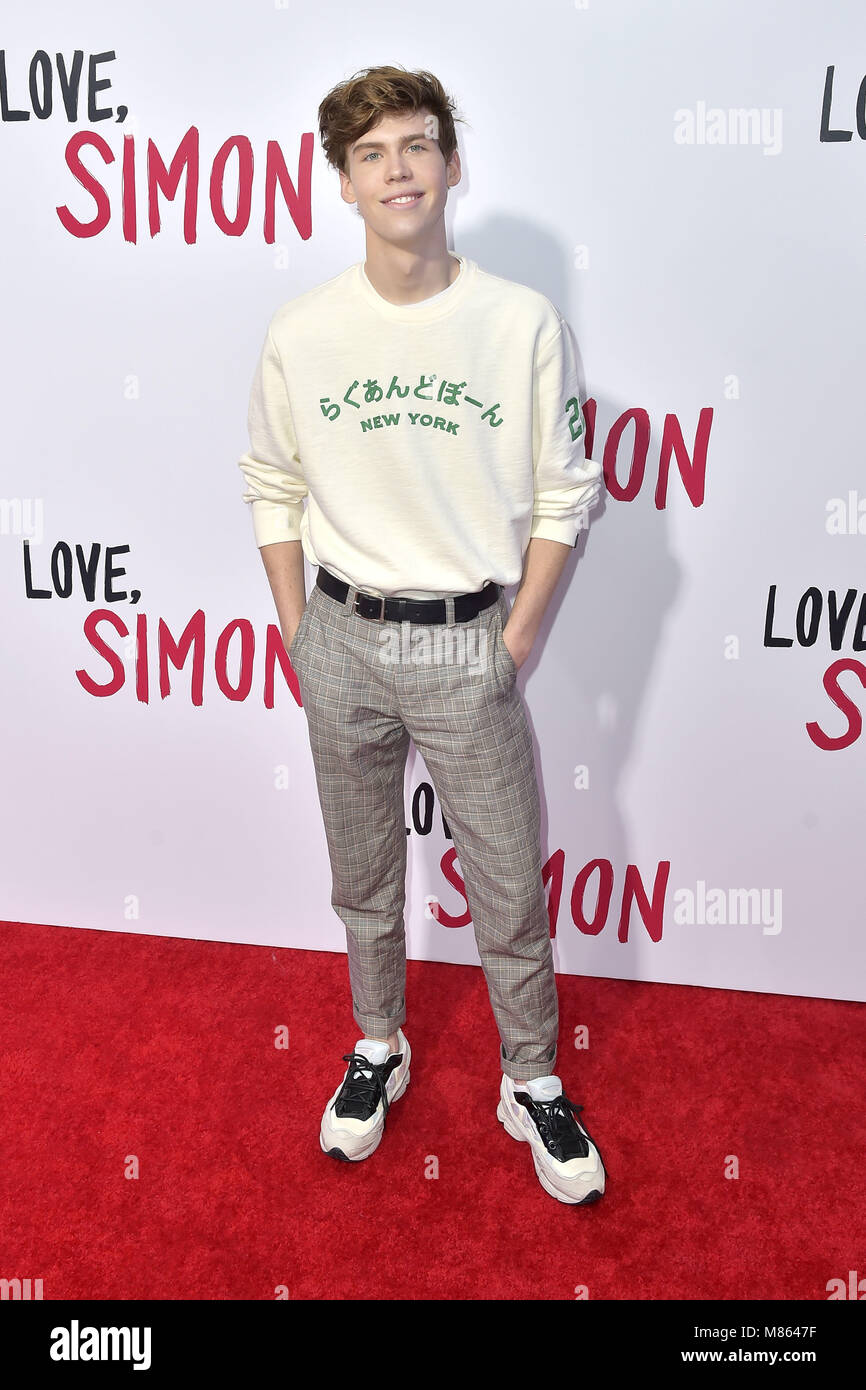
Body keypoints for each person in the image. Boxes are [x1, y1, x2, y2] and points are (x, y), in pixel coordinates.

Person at [237, 65, 607, 1205]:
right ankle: (378, 1045)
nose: (397, 169)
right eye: (371, 154)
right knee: (362, 876)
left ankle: (530, 1076)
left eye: (415, 145)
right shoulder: (303, 332)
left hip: (466, 642)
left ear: (452, 164)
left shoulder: (517, 321)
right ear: (341, 182)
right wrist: (302, 634)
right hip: (340, 635)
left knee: (505, 881)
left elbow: (561, 495)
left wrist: (516, 641)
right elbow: (271, 482)